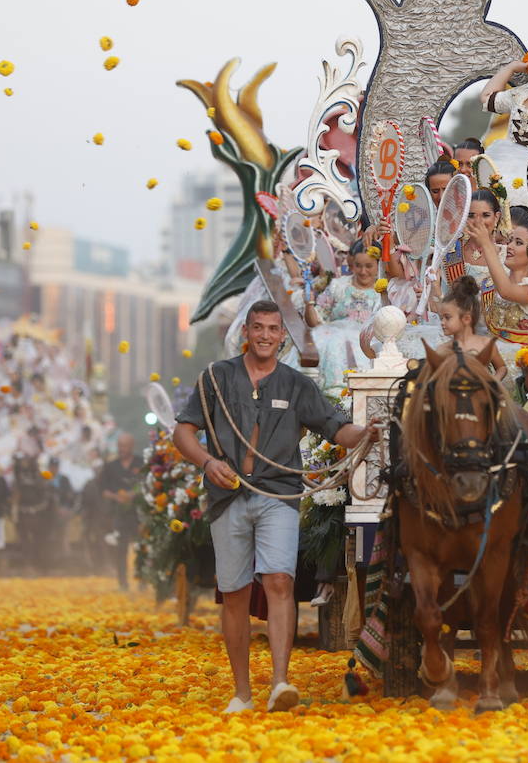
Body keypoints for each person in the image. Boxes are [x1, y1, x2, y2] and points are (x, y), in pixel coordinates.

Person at [173, 300, 375, 714]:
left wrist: (370, 431)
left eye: (272, 329)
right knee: (234, 594)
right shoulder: (216, 377)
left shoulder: (297, 384)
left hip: (279, 496)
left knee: (280, 580)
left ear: (283, 336)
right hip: (226, 495)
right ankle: (242, 692)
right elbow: (183, 432)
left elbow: (337, 428)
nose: (265, 335)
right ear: (246, 332)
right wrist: (208, 462)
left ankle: (281, 683)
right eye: (258, 328)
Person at [466, 220, 528, 372]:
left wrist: (486, 244)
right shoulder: (491, 282)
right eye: (510, 241)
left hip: (522, 364)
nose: (509, 246)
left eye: (518, 242)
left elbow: (506, 291)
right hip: (490, 356)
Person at [301, 239, 384, 394]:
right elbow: (315, 322)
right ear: (351, 263)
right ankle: (333, 393)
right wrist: (309, 303)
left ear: (378, 265)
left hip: (367, 343)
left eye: (369, 266)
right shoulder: (338, 286)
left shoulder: (383, 291)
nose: (363, 271)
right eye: (358, 266)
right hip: (334, 340)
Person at [433, 276, 506, 379]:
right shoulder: (443, 350)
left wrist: (493, 383)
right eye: (441, 318)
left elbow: (501, 367)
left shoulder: (486, 344)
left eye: (447, 318)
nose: (442, 322)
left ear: (466, 319)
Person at [99, 434, 142, 591]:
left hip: (138, 513)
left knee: (141, 548)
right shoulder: (110, 466)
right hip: (118, 514)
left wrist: (134, 494)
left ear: (132, 446)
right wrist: (116, 497)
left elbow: (148, 484)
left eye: (124, 446)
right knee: (120, 548)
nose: (121, 449)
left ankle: (142, 579)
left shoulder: (141, 463)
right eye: (119, 445)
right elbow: (102, 489)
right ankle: (122, 582)